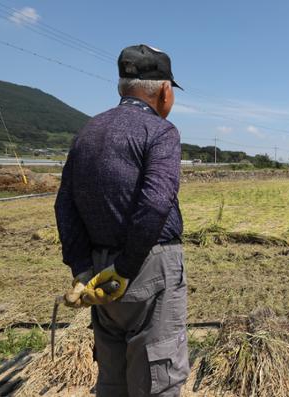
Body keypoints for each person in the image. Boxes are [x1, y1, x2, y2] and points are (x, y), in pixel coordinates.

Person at [55, 44, 188, 397]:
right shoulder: (161, 131)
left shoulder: (88, 131)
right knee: (158, 377)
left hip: (99, 272)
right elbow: (156, 202)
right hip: (146, 267)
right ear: (164, 90)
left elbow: (64, 204)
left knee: (113, 376)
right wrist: (126, 269)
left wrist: (83, 271)